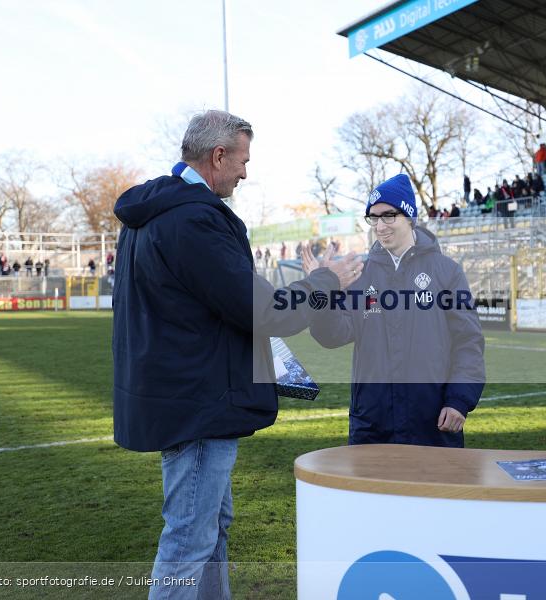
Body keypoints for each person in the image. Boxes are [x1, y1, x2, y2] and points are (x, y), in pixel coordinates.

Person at [111, 110, 362, 600]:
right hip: (199, 401)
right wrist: (327, 279)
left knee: (211, 526)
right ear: (218, 156)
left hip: (183, 395)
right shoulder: (191, 219)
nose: (246, 172)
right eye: (243, 161)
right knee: (189, 539)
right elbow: (264, 311)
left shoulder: (154, 214)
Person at [305, 173, 485, 447]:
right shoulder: (360, 274)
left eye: (388, 216)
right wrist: (322, 293)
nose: (380, 226)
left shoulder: (446, 272)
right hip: (373, 424)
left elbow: (468, 341)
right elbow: (333, 335)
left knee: (433, 491)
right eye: (373, 218)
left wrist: (459, 400)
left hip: (433, 421)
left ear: (409, 216)